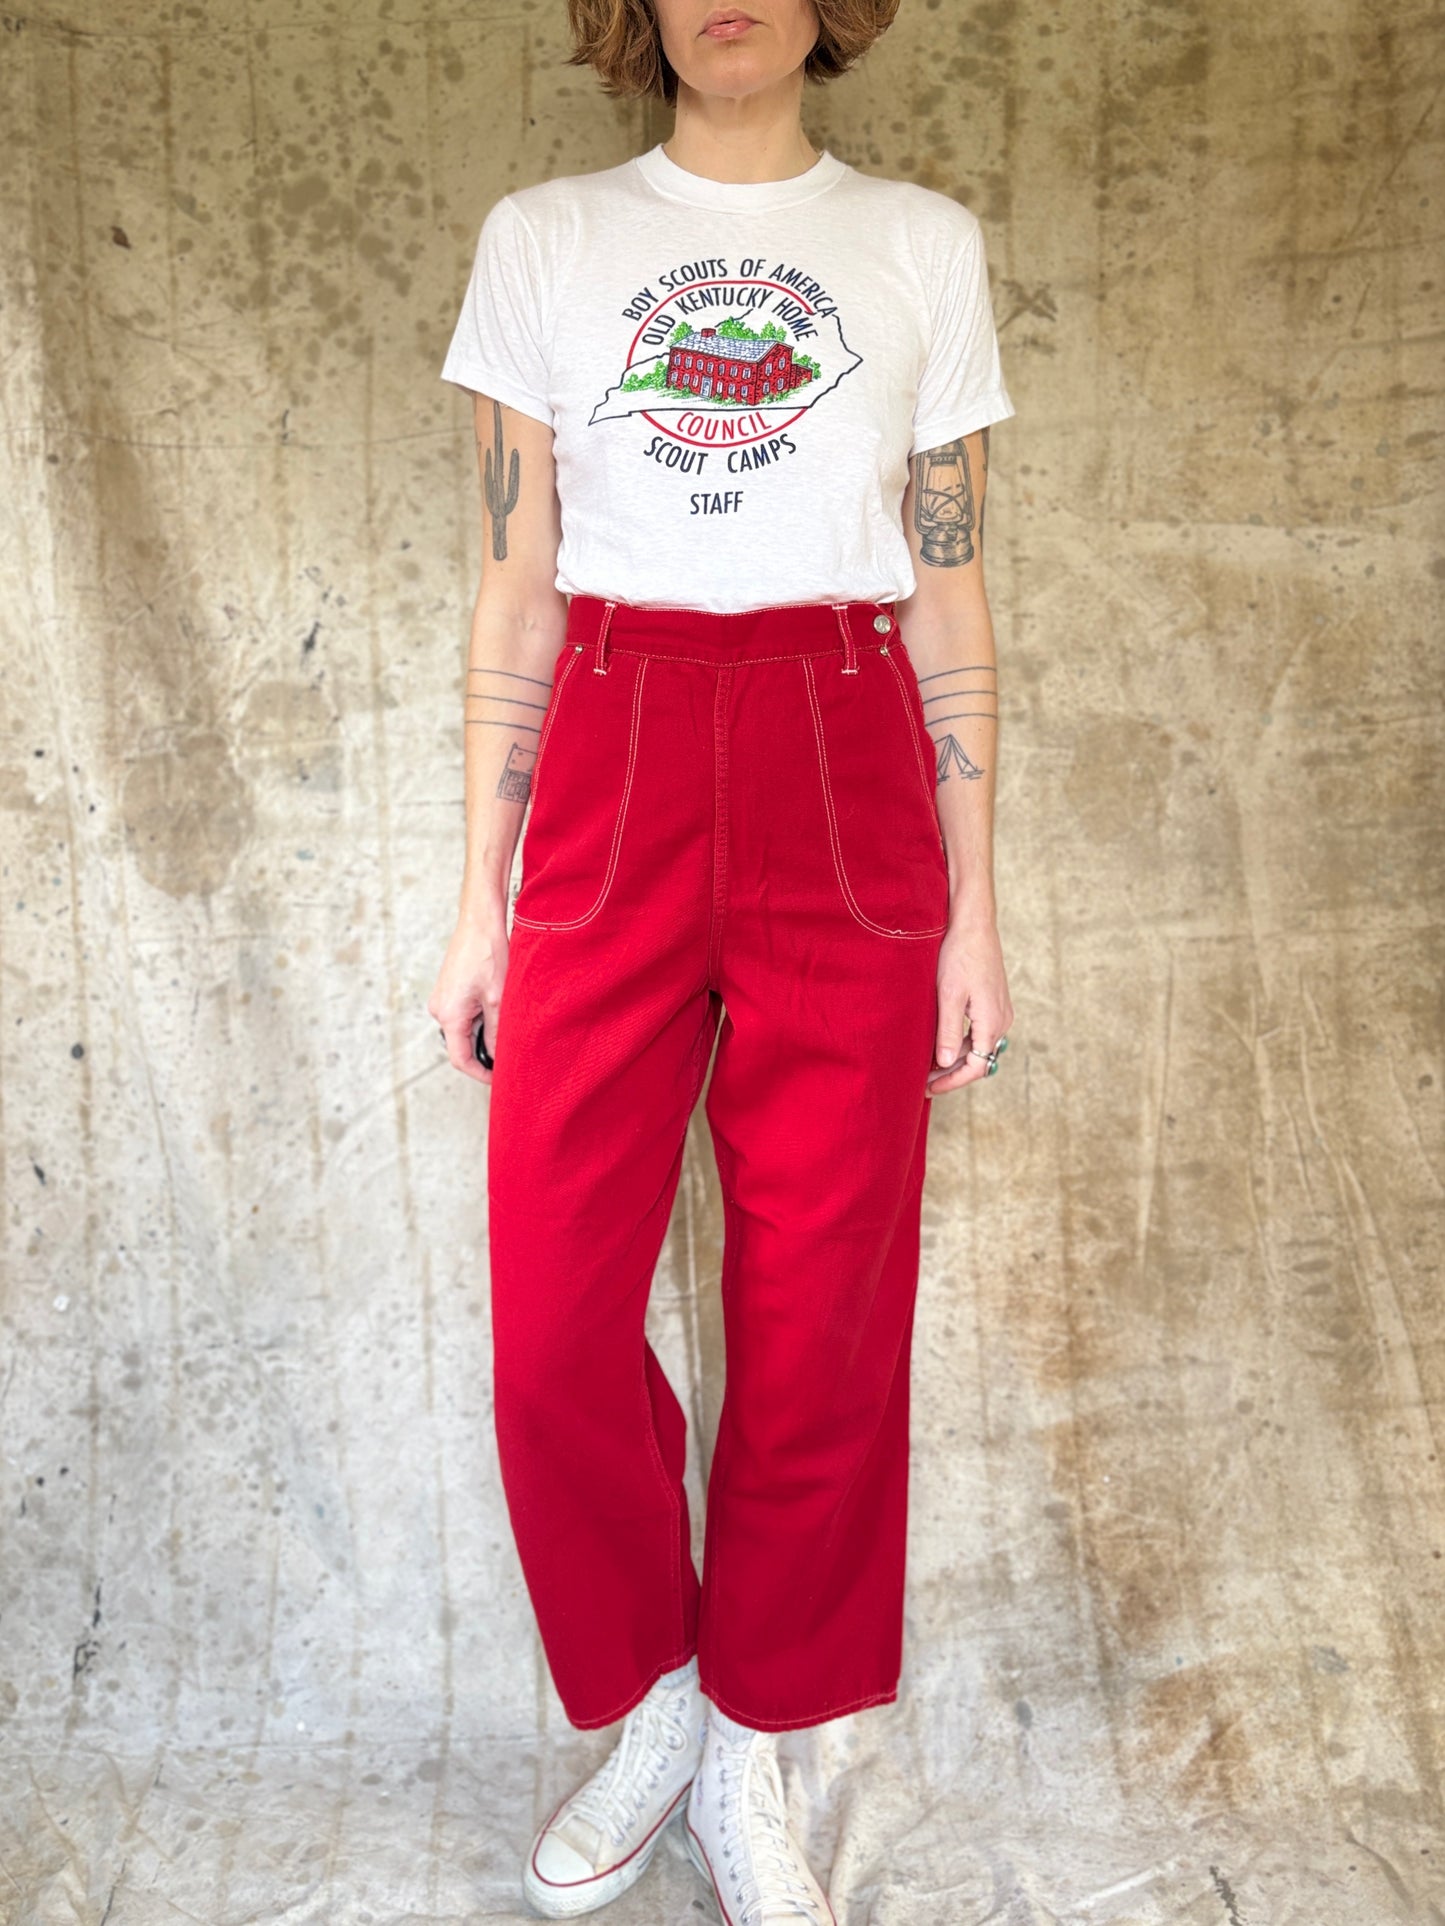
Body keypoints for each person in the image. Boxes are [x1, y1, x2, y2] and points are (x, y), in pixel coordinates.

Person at [428, 0, 1016, 1916]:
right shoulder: (546, 239)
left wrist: (976, 907)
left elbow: (950, 592)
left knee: (820, 1304)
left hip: (842, 747)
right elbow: (514, 588)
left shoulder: (917, 242)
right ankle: (661, 1696)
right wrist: (480, 898)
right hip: (613, 737)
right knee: (551, 1324)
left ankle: (757, 1729)